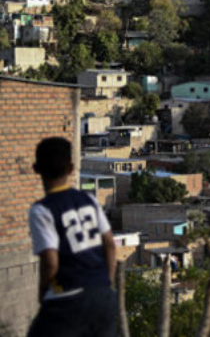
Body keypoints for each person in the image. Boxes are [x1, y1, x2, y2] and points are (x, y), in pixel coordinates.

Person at [27, 136, 118, 337]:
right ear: (71, 168)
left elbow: (50, 262)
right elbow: (110, 245)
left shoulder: (42, 210)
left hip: (68, 300)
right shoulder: (88, 200)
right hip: (103, 296)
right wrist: (107, 283)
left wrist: (43, 294)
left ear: (36, 169)